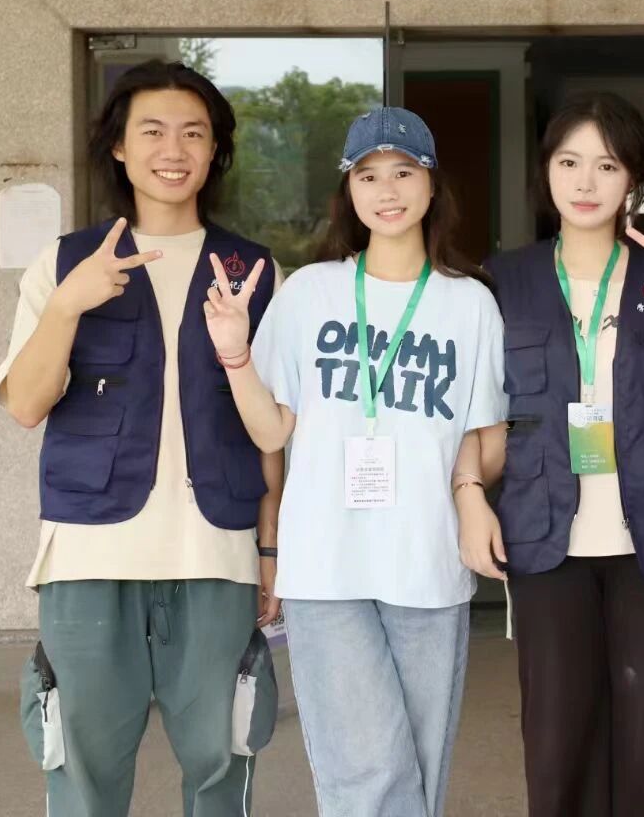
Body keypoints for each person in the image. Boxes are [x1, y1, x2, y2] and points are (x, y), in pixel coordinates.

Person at [1, 59, 281, 816]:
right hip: (89, 554)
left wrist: (269, 550)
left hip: (216, 552)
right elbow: (25, 404)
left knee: (223, 761)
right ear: (119, 147)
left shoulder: (252, 270)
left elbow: (271, 432)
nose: (174, 149)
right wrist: (67, 306)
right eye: (152, 131)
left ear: (215, 150)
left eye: (194, 133)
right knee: (83, 770)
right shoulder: (65, 263)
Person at [208, 107, 506, 817]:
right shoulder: (311, 293)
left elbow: (485, 437)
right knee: (365, 766)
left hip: (427, 563)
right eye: (368, 176)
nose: (387, 190)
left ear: (431, 185)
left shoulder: (470, 304)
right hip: (327, 563)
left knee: (419, 768)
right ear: (349, 190)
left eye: (403, 172)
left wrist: (469, 493)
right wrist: (235, 355)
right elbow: (271, 430)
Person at [459, 92, 644, 816]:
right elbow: (478, 407)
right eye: (570, 163)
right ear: (546, 172)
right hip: (545, 534)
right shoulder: (504, 279)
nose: (587, 182)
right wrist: (469, 494)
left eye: (607, 165)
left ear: (633, 178)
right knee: (557, 740)